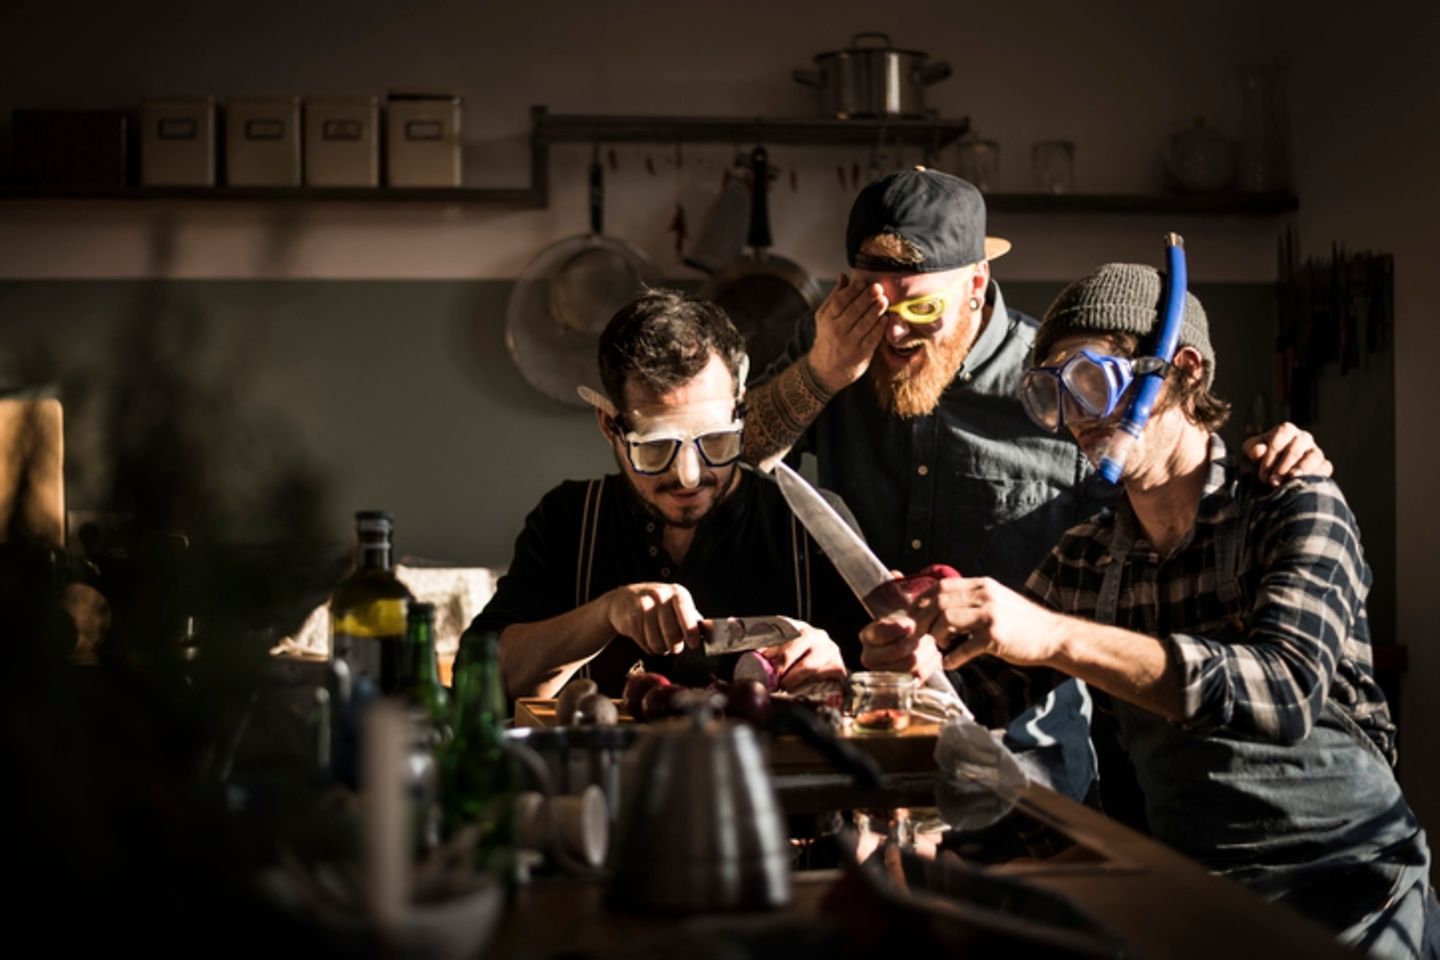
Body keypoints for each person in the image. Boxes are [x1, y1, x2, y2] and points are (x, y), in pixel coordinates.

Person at [862, 262, 1435, 956]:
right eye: (1052, 398)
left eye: (1092, 383)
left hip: (1354, 900)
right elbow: (973, 693)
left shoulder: (1292, 504)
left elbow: (1282, 692)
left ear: (1185, 373)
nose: (1074, 419)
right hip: (1195, 898)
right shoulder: (1089, 556)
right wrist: (904, 664)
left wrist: (1049, 635)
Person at [742, 167, 1329, 799]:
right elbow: (727, 467)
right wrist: (821, 374)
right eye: (869, 301)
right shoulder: (832, 345)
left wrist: (1276, 459)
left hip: (1030, 750)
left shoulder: (1055, 382)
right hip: (873, 719)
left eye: (919, 306)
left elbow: (1161, 488)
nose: (891, 330)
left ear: (974, 284)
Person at [464, 291, 864, 700]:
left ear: (739, 412)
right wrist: (603, 616)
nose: (689, 477)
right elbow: (479, 685)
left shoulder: (812, 524)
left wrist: (841, 668)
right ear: (609, 426)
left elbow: (893, 693)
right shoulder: (569, 521)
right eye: (656, 447)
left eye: (715, 441)